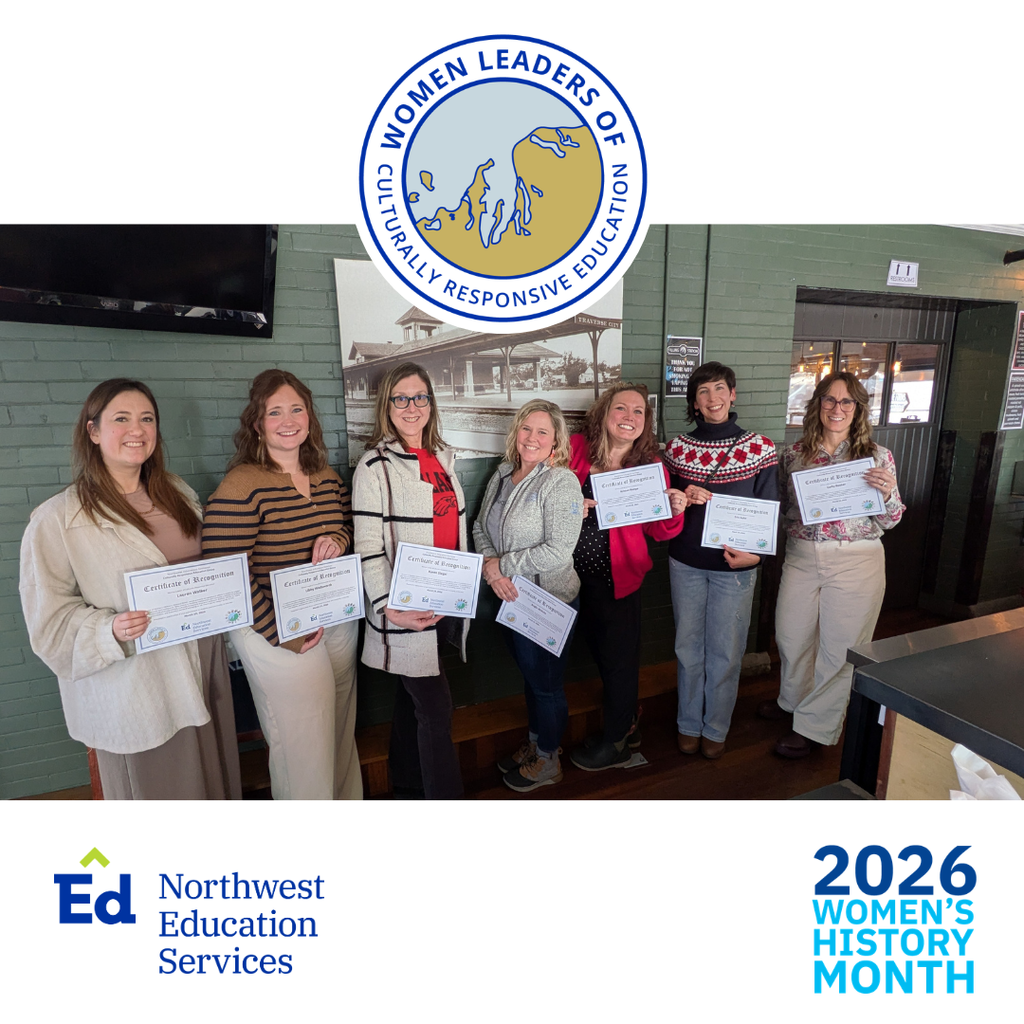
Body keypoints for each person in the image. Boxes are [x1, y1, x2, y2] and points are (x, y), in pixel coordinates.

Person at [19, 378, 242, 800]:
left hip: (203, 659)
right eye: (121, 419)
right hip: (138, 681)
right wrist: (110, 630)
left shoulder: (177, 493)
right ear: (94, 431)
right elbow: (48, 625)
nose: (137, 430)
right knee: (162, 793)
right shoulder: (56, 520)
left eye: (147, 419)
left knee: (213, 781)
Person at [202, 369, 360, 799]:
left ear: (309, 416)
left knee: (340, 727)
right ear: (257, 423)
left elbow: (347, 527)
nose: (288, 420)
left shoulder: (325, 475)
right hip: (276, 629)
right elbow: (224, 570)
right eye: (275, 412)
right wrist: (278, 632)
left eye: (297, 409)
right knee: (303, 743)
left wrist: (337, 540)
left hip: (333, 617)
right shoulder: (242, 484)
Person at [762, 370, 904, 758]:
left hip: (857, 558)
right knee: (791, 635)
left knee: (840, 647)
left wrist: (888, 493)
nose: (836, 408)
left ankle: (815, 727)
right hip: (803, 555)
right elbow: (777, 509)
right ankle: (791, 701)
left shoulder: (877, 457)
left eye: (845, 401)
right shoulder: (793, 455)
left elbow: (890, 521)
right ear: (817, 405)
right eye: (828, 399)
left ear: (857, 409)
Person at [352, 362, 467, 799]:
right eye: (401, 398)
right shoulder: (374, 466)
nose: (411, 406)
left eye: (420, 397)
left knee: (411, 702)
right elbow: (367, 546)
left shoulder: (442, 458)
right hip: (405, 608)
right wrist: (387, 606)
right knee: (437, 710)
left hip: (442, 601)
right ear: (387, 406)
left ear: (431, 404)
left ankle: (405, 785)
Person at [566, 382, 687, 771]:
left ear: (645, 423)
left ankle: (616, 740)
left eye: (639, 412)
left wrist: (675, 508)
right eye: (622, 409)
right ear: (604, 413)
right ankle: (627, 722)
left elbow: (659, 531)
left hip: (618, 580)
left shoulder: (651, 467)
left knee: (619, 662)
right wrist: (571, 504)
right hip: (568, 580)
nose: (630, 418)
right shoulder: (574, 449)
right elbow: (547, 495)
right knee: (600, 655)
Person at [663, 362, 778, 759]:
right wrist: (679, 497)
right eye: (702, 392)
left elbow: (770, 508)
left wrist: (756, 555)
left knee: (727, 653)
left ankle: (716, 727)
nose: (712, 399)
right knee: (687, 648)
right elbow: (666, 507)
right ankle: (687, 723)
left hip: (736, 568)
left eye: (718, 389)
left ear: (732, 394)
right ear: (693, 402)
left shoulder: (761, 447)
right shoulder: (677, 447)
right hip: (686, 561)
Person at [474, 399, 585, 792]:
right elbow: (480, 527)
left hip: (548, 601)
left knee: (547, 684)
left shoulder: (561, 481)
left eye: (542, 431)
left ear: (556, 440)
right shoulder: (504, 473)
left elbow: (559, 550)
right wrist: (492, 567)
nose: (532, 437)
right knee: (530, 678)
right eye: (526, 429)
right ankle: (537, 744)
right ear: (515, 433)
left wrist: (501, 567)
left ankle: (550, 759)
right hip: (510, 597)